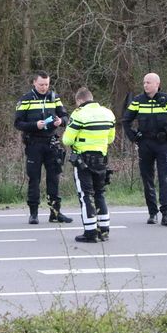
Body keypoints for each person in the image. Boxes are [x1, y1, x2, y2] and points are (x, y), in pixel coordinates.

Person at [121, 73, 167, 226]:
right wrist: (134, 137)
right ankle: (152, 213)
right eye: (144, 82)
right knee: (147, 179)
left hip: (163, 145)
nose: (145, 85)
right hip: (145, 144)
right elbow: (126, 120)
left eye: (148, 82)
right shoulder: (138, 101)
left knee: (165, 178)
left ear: (157, 84)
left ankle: (166, 214)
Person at [14, 71, 72, 224]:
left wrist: (61, 121)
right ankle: (34, 213)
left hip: (51, 143)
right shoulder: (26, 99)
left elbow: (66, 116)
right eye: (41, 84)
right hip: (34, 143)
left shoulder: (54, 97)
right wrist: (35, 125)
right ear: (34, 83)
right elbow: (18, 123)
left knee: (54, 178)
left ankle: (55, 213)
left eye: (46, 84)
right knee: (34, 179)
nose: (44, 87)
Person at [62, 87, 116, 243]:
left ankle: (90, 232)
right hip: (102, 159)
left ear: (79, 101)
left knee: (86, 195)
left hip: (84, 161)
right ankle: (104, 230)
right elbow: (110, 138)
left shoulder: (79, 114)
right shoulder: (108, 113)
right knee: (100, 193)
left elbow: (67, 140)